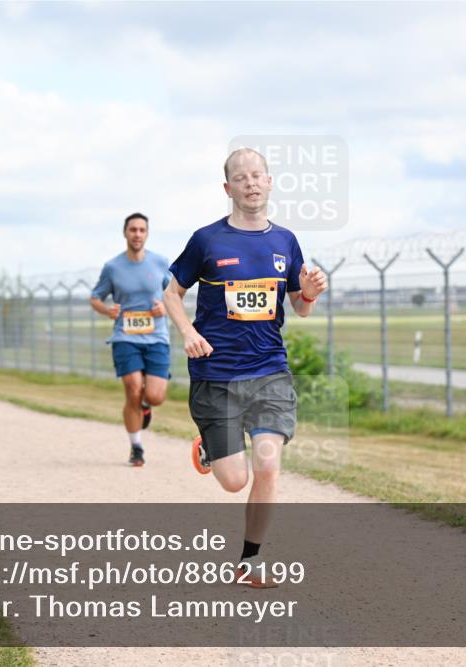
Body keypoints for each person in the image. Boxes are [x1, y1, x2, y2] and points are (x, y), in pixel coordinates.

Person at [163, 148, 328, 587]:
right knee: (234, 481)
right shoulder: (207, 240)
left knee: (269, 466)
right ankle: (210, 446)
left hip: (270, 370)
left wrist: (308, 292)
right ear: (228, 188)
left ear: (270, 182)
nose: (251, 182)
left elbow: (299, 307)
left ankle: (249, 562)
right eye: (241, 177)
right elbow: (171, 294)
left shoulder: (285, 241)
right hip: (216, 375)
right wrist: (188, 334)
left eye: (258, 175)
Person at [91, 213, 172, 467]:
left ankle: (147, 406)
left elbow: (175, 294)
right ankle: (136, 447)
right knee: (132, 388)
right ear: (125, 233)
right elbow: (95, 297)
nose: (137, 234)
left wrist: (165, 308)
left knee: (155, 395)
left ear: (147, 234)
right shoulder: (113, 267)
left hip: (157, 336)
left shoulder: (160, 262)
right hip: (125, 336)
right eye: (133, 230)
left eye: (141, 230)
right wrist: (107, 310)